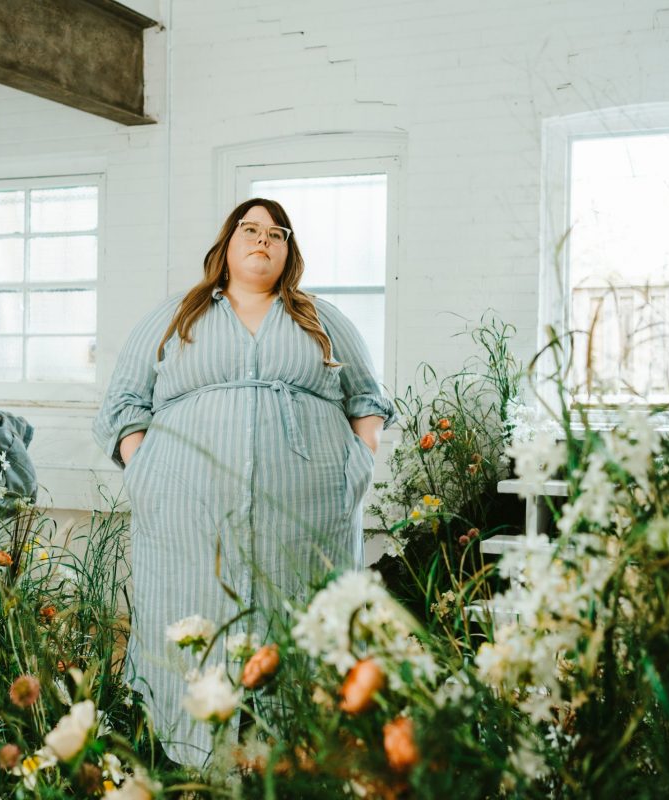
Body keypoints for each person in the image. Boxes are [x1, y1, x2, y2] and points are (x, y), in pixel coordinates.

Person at [93, 198, 395, 766]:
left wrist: (359, 459)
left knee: (298, 622)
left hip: (307, 516)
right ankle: (196, 760)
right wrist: (146, 468)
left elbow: (367, 398)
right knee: (195, 618)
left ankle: (300, 757)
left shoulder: (322, 318)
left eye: (276, 233)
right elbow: (124, 401)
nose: (263, 240)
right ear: (226, 245)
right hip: (186, 514)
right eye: (250, 230)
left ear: (288, 251)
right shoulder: (175, 316)